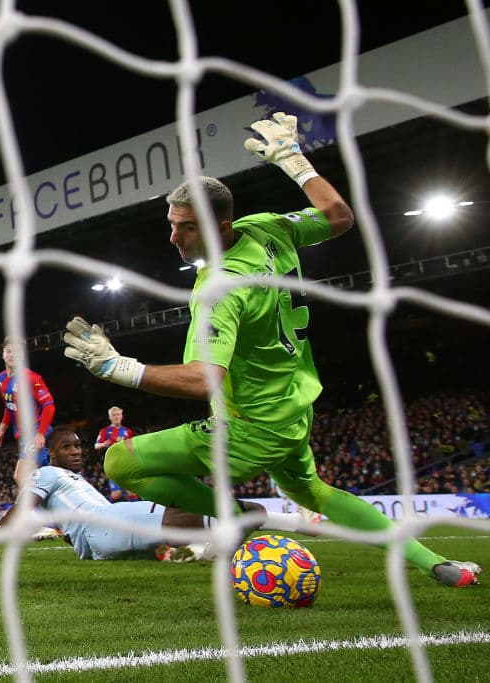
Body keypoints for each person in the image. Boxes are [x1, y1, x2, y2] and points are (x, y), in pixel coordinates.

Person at [62, 112, 480, 587]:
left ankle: (236, 515)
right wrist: (294, 161)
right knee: (315, 491)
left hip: (249, 424)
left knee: (121, 462)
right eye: (172, 225)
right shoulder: (266, 228)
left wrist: (117, 367)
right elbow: (338, 216)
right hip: (292, 407)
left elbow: (203, 379)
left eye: (186, 228)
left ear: (220, 225)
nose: (174, 237)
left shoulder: (220, 288)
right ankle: (436, 564)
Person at [0, 428, 310, 562]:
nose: (76, 451)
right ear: (53, 454)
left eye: (78, 445)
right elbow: (22, 507)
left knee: (233, 511)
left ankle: (208, 548)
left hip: (111, 526)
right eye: (67, 446)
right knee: (242, 510)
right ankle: (302, 526)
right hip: (108, 524)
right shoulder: (45, 473)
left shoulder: (78, 481)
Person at [0, 337, 56, 488]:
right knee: (41, 479)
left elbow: (49, 405)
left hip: (36, 433)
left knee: (22, 477)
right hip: (24, 436)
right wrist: (2, 429)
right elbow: (10, 405)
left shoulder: (32, 378)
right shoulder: (1, 378)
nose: (12, 355)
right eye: (8, 351)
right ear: (3, 354)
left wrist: (40, 433)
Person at [93, 406, 138, 502]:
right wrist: (103, 444)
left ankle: (138, 513)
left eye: (118, 414)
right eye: (113, 415)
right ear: (110, 417)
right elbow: (96, 445)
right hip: (113, 465)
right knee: (117, 495)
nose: (116, 416)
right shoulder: (105, 431)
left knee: (132, 492)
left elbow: (132, 447)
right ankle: (105, 508)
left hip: (126, 464)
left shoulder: (128, 431)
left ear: (122, 416)